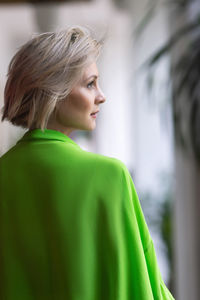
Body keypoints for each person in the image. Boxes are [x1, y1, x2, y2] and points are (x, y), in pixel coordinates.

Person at [0, 25, 175, 299]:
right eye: (90, 83)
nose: (101, 96)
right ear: (53, 91)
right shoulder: (109, 176)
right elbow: (143, 287)